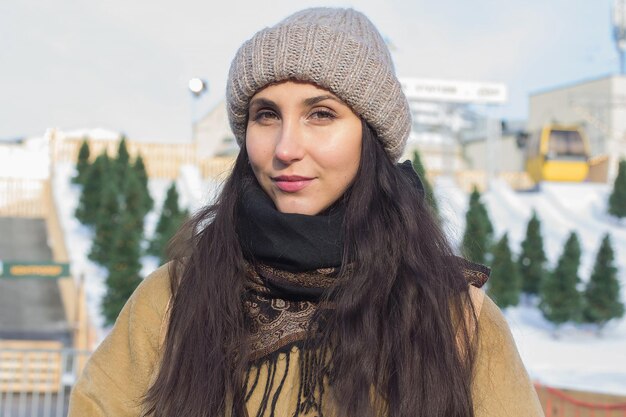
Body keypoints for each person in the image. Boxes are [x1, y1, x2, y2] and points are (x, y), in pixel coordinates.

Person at [68, 7, 544, 417]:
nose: (286, 147)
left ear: (371, 138)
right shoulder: (174, 299)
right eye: (266, 115)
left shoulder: (457, 319)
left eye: (321, 114)